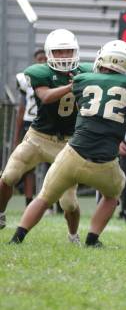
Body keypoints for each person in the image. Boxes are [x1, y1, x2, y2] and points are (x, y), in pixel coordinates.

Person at [8, 40, 126, 247]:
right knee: (113, 195)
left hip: (73, 154)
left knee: (44, 198)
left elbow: (92, 101)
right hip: (105, 162)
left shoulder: (82, 79)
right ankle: (92, 239)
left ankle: (17, 238)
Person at [0, 30, 92, 242]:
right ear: (49, 54)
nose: (63, 56)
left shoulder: (87, 70)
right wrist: (72, 86)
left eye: (67, 51)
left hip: (69, 142)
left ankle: (73, 236)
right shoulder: (39, 72)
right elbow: (46, 96)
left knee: (68, 202)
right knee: (9, 176)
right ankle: (1, 213)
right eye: (58, 52)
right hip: (39, 137)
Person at [13, 50, 48, 208]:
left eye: (44, 59)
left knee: (53, 166)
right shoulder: (26, 78)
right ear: (35, 61)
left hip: (48, 125)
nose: (42, 62)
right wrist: (16, 135)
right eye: (39, 59)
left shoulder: (54, 78)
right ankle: (29, 202)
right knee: (28, 167)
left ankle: (49, 202)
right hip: (30, 125)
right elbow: (22, 108)